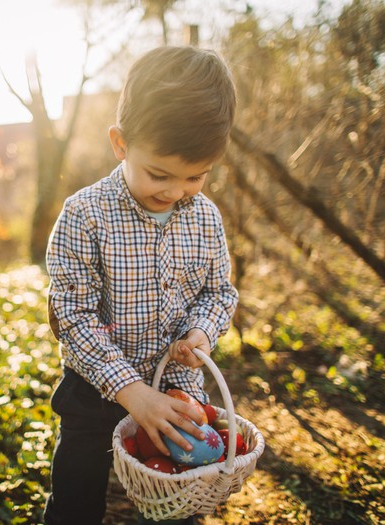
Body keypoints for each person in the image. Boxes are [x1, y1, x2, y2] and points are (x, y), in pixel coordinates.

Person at [43, 46, 240, 525]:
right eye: (159, 174)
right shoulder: (85, 215)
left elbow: (219, 293)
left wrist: (200, 334)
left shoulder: (206, 218)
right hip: (95, 391)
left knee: (179, 501)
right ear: (121, 143)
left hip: (176, 391)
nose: (175, 192)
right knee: (75, 498)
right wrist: (130, 391)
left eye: (195, 176)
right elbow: (72, 316)